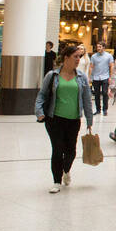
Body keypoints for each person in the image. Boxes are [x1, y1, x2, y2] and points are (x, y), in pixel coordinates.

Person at [34, 44, 94, 195]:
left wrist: (89, 120)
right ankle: (56, 181)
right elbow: (41, 95)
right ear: (66, 58)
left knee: (71, 151)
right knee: (58, 149)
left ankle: (66, 170)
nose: (78, 60)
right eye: (75, 56)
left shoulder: (81, 77)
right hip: (54, 119)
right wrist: (39, 112)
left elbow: (87, 100)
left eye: (80, 57)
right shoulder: (52, 75)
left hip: (73, 120)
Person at [87, 41, 113, 116]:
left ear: (104, 47)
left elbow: (111, 66)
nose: (98, 48)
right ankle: (98, 109)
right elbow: (91, 67)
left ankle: (105, 109)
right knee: (97, 94)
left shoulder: (109, 56)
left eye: (100, 46)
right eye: (97, 46)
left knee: (105, 93)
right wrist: (89, 77)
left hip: (105, 76)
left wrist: (111, 77)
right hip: (96, 77)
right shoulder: (93, 56)